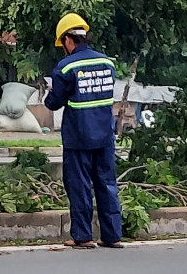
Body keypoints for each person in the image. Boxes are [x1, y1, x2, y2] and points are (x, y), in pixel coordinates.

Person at [44, 13, 123, 250]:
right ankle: (112, 236)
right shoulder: (107, 63)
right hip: (104, 134)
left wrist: (51, 92)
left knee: (79, 185)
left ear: (69, 40)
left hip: (78, 136)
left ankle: (83, 236)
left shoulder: (66, 66)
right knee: (107, 183)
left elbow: (54, 102)